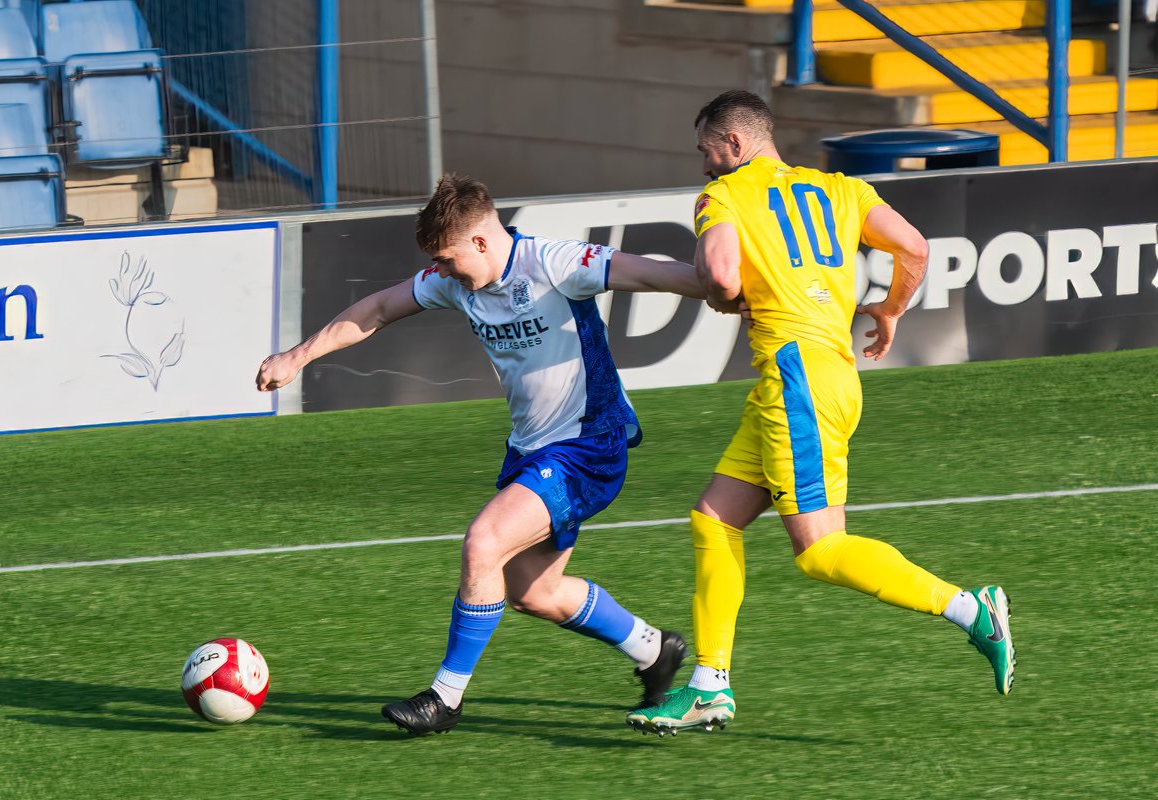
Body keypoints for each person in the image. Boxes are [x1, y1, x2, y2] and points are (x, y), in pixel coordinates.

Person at [626, 90, 1016, 736]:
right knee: (714, 518)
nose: (704, 165)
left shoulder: (723, 196)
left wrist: (724, 298)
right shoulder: (841, 189)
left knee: (819, 549)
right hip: (819, 376)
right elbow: (914, 246)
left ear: (734, 144)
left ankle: (971, 610)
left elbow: (720, 277)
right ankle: (709, 686)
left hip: (796, 382)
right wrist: (890, 309)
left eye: (707, 151)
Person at [257, 174, 704, 736]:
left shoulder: (554, 263)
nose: (442, 272)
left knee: (483, 542)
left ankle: (445, 698)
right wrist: (297, 356)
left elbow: (652, 272)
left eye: (447, 259)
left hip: (589, 445)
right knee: (534, 592)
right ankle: (653, 649)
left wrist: (727, 288)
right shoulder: (456, 282)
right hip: (531, 450)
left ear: (481, 241)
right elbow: (378, 308)